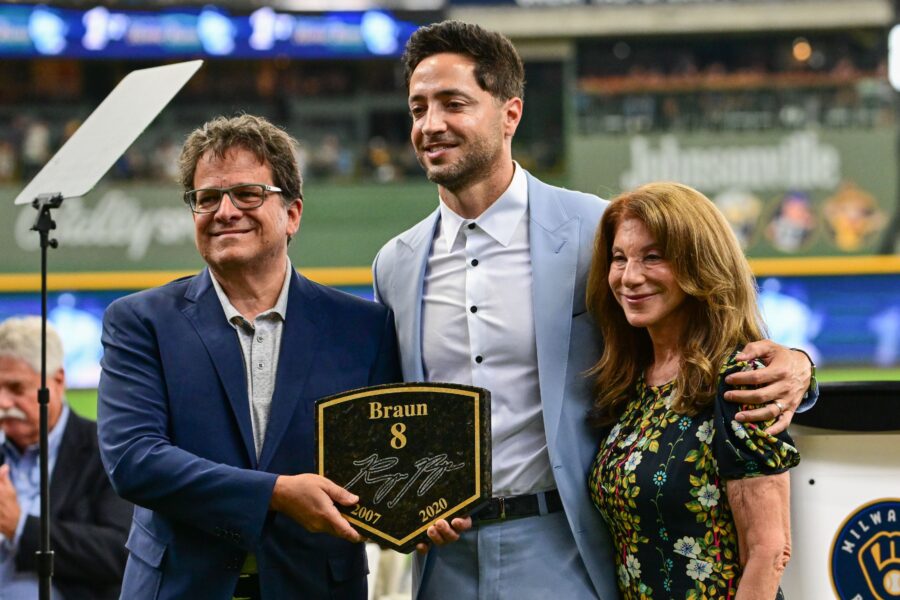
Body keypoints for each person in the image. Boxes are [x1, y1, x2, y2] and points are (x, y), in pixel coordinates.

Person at [372, 21, 816, 599]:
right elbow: (393, 417)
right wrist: (406, 498)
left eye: (453, 103)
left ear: (510, 114)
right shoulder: (395, 264)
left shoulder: (595, 230)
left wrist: (800, 367)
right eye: (418, 106)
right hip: (444, 563)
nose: (431, 124)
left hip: (565, 547)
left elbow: (715, 334)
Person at [97, 114, 401, 599]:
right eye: (207, 198)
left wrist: (430, 513)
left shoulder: (364, 328)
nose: (225, 211)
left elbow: (392, 460)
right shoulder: (140, 322)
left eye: (247, 194)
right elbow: (134, 461)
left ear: (293, 213)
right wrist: (276, 494)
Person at [586, 182, 800, 598]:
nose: (630, 277)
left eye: (652, 257)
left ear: (699, 265)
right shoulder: (629, 381)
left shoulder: (740, 380)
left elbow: (769, 550)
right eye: (619, 258)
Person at [0, 316, 131, 600]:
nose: (3, 402)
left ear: (57, 381)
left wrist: (20, 526)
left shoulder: (108, 450)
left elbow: (120, 551)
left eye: (16, 388)